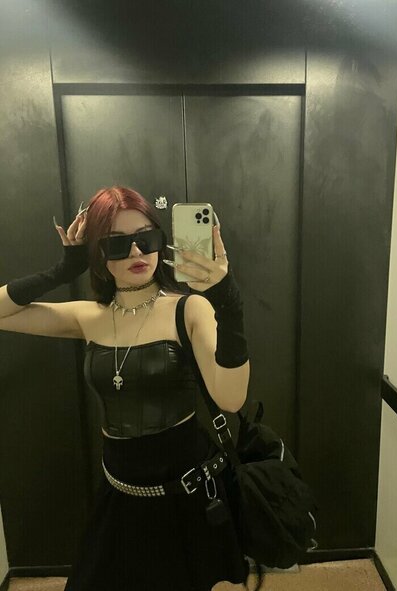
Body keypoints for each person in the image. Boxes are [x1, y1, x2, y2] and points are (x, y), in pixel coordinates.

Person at [0, 186, 252, 591]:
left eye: (146, 238)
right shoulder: (89, 316)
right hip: (120, 488)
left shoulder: (190, 308)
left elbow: (231, 398)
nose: (136, 251)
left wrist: (229, 303)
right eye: (117, 243)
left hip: (183, 490)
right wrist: (63, 271)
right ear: (98, 253)